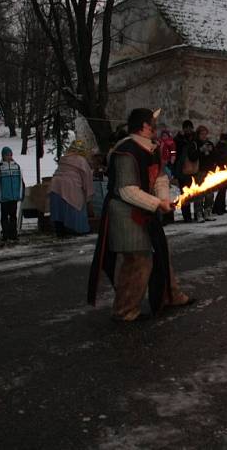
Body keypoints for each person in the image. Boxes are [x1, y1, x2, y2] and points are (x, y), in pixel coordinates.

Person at [87, 108, 193, 321]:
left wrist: (163, 199)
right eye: (153, 122)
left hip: (146, 209)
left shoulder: (151, 149)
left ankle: (169, 296)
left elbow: (160, 178)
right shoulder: (125, 151)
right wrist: (157, 204)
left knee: (162, 252)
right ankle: (125, 310)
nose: (156, 126)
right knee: (138, 259)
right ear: (145, 126)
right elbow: (127, 190)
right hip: (126, 213)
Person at [49, 141, 94, 237]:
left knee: (59, 209)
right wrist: (88, 194)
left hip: (55, 185)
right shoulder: (81, 160)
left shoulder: (64, 158)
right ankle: (75, 229)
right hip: (71, 186)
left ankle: (60, 231)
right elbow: (87, 177)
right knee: (75, 204)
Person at [0, 147, 25, 241]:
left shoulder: (16, 166)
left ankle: (13, 233)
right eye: (6, 155)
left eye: (10, 154)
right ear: (3, 156)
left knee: (13, 215)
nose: (8, 157)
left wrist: (22, 192)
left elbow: (21, 181)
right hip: (4, 196)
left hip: (13, 196)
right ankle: (5, 233)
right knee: (4, 215)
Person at [174, 120, 199, 222]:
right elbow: (175, 155)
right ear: (183, 129)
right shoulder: (178, 140)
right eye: (186, 127)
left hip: (194, 169)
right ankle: (187, 216)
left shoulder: (195, 139)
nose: (188, 129)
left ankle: (198, 214)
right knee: (185, 193)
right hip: (182, 170)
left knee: (196, 192)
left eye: (190, 127)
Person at [194, 125, 216, 222]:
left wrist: (211, 151)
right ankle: (198, 213)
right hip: (199, 171)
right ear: (198, 134)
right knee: (199, 193)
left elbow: (215, 156)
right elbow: (192, 156)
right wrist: (200, 150)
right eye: (202, 134)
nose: (204, 136)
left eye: (205, 134)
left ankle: (208, 212)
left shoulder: (209, 143)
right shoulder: (195, 144)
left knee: (210, 193)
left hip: (209, 171)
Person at [211, 133, 227, 215]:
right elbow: (221, 158)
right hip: (221, 170)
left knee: (223, 190)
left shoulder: (223, 146)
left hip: (225, 169)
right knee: (222, 190)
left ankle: (221, 207)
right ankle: (217, 208)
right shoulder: (221, 146)